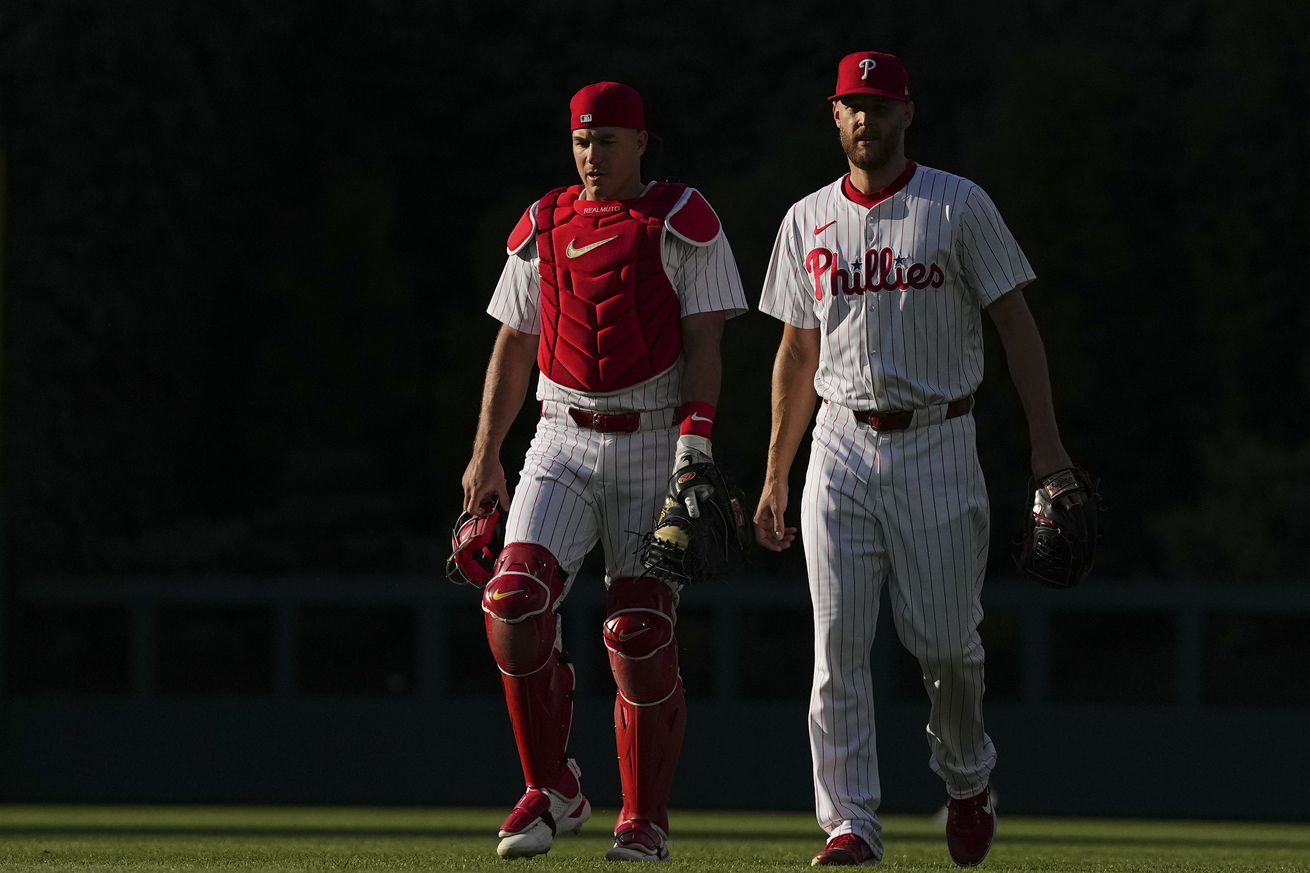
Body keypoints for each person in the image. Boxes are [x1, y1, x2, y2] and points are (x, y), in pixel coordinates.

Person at [753, 51, 1077, 867]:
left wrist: (1047, 446)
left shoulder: (959, 205)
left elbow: (1017, 324)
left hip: (938, 437)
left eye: (880, 105)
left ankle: (967, 778)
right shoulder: (804, 219)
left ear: (908, 114)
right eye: (852, 105)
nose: (866, 119)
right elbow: (795, 352)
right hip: (839, 440)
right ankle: (849, 820)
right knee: (837, 649)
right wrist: (774, 473)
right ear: (834, 115)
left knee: (947, 647)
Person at [460, 80, 747, 862]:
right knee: (513, 599)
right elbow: (514, 342)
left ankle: (643, 817)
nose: (592, 156)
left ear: (642, 142)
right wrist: (486, 452)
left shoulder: (683, 219)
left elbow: (705, 340)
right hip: (560, 432)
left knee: (639, 630)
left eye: (608, 141)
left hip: (654, 432)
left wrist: (697, 445)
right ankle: (551, 784)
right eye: (582, 141)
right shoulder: (544, 221)